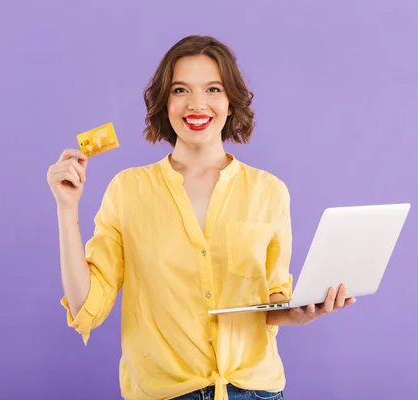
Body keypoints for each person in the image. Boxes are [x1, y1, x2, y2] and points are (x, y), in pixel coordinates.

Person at [46, 35, 356, 400]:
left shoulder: (269, 191)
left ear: (230, 102)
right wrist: (67, 209)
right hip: (163, 393)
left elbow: (273, 302)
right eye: (180, 90)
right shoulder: (127, 190)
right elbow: (87, 307)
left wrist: (303, 312)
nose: (197, 104)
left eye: (212, 89)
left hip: (255, 392)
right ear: (165, 102)